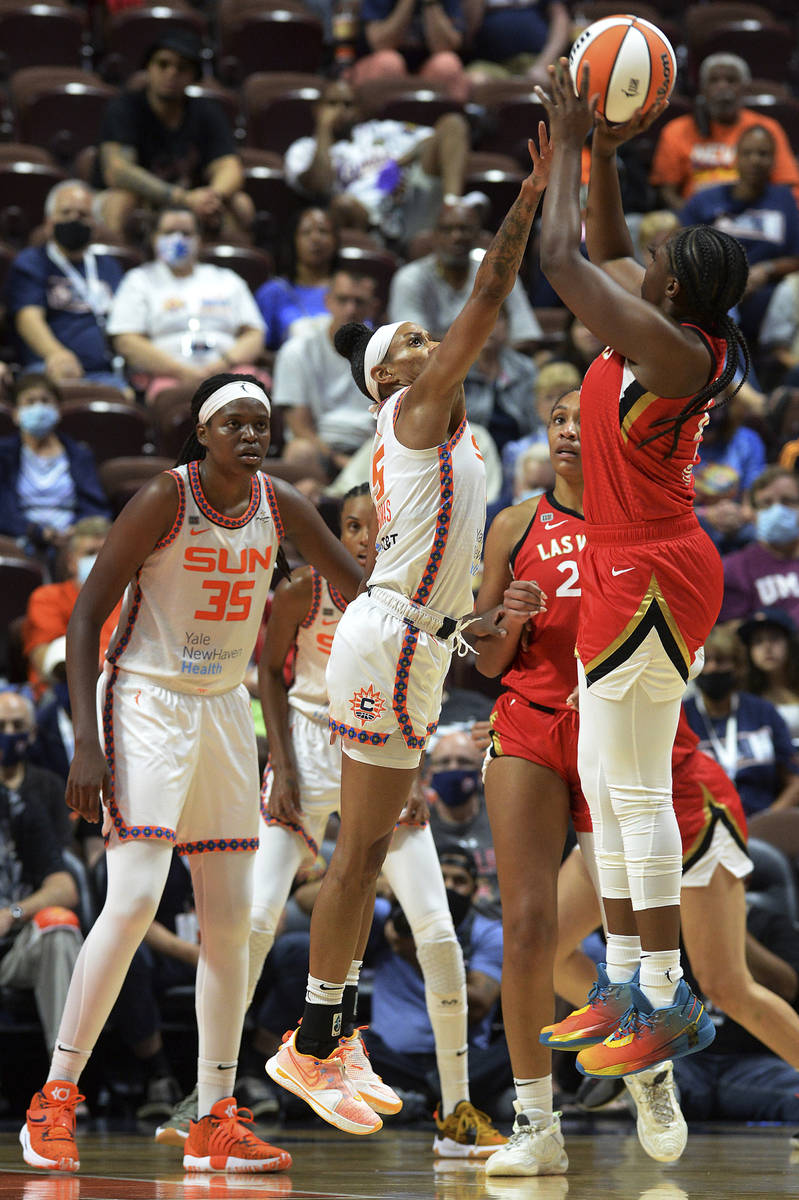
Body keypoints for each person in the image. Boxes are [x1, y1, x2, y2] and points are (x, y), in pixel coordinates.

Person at [265, 123, 553, 1134]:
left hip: (415, 642)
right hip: (385, 641)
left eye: (424, 341)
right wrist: (531, 190)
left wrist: (485, 622)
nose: (435, 348)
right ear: (389, 381)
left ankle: (324, 1036)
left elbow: (435, 578)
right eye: (412, 346)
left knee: (371, 846)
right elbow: (483, 298)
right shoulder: (416, 413)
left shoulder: (453, 439)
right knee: (358, 854)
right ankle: (310, 1047)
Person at [18, 371, 363, 1175]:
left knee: (230, 923)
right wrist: (84, 744)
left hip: (218, 709)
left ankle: (213, 1118)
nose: (251, 434)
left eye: (261, 423)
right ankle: (54, 1098)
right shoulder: (165, 499)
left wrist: (449, 616)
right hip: (142, 698)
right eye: (234, 422)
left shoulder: (280, 505)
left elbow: (358, 592)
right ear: (203, 433)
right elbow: (83, 613)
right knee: (135, 897)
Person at [156, 483, 506, 1156]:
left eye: (375, 527)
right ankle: (207, 1100)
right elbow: (269, 670)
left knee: (436, 932)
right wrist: (281, 769)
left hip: (381, 759)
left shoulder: (420, 603)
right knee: (254, 923)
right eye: (350, 526)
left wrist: (418, 774)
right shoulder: (303, 590)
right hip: (309, 751)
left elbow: (422, 695)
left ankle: (457, 1109)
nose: (363, 539)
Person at [533, 59, 750, 1078]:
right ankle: (626, 980)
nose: (643, 256)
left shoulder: (670, 355)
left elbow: (565, 261)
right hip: (630, 563)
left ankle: (666, 998)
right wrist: (609, 159)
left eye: (658, 256)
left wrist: (572, 145)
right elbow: (610, 250)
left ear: (672, 291)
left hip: (655, 571)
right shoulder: (667, 326)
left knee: (630, 789)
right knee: (601, 777)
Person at [364, 845, 509, 1120]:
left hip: (464, 1060)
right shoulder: (389, 915)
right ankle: (449, 1101)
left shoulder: (488, 933)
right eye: (440, 878)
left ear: (475, 889)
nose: (448, 888)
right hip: (393, 1056)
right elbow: (307, 901)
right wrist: (382, 884)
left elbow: (477, 1006)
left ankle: (411, 1099)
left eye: (459, 881)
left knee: (519, 1047)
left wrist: (414, 954)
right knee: (350, 1044)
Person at [95, 31, 253, 241]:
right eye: (163, 64)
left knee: (240, 203)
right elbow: (118, 172)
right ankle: (119, 267)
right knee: (121, 201)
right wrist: (182, 198)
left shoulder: (206, 112)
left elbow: (229, 167)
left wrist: (212, 197)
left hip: (192, 201)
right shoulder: (125, 108)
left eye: (182, 68)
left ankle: (223, 270)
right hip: (144, 199)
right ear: (148, 67)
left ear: (193, 76)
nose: (171, 73)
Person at [283, 79, 473, 246]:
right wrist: (323, 129)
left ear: (358, 110)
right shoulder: (303, 149)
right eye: (332, 104)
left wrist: (401, 162)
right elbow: (318, 184)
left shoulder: (378, 130)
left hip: (408, 202)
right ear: (318, 110)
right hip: (365, 218)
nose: (341, 110)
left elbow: (438, 138)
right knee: (343, 204)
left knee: (453, 124)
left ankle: (452, 210)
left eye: (348, 104)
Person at [107, 205, 266, 404]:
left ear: (199, 240)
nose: (178, 239)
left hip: (230, 372)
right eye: (169, 232)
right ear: (154, 238)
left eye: (186, 233)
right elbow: (126, 340)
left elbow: (255, 334)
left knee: (251, 395)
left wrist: (221, 366)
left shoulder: (226, 280)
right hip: (167, 377)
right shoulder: (138, 281)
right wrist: (181, 372)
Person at [0, 691, 83, 1055]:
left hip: (18, 943)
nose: (8, 734)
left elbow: (65, 885)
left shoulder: (30, 805)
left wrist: (12, 913)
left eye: (17, 726)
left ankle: (62, 1085)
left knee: (60, 925)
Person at [679, 125, 799, 342]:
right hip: (714, 285)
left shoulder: (784, 201)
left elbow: (796, 257)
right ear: (735, 158)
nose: (755, 160)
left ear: (774, 160)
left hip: (765, 292)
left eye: (763, 154)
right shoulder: (706, 199)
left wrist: (766, 269)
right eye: (748, 153)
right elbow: (681, 249)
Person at [5, 180, 128, 389]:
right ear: (49, 224)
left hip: (105, 373)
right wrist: (57, 354)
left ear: (95, 227)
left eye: (83, 215)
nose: (74, 219)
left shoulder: (109, 266)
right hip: (47, 367)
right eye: (66, 213)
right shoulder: (32, 261)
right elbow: (28, 319)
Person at [388, 200, 542, 356]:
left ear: (478, 235)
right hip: (433, 372)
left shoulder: (498, 272)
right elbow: (412, 343)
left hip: (495, 369)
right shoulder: (409, 278)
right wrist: (481, 347)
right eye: (447, 230)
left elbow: (527, 335)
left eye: (465, 229)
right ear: (433, 236)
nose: (457, 237)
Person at [650, 53, 799, 210]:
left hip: (755, 216)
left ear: (744, 88)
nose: (722, 87)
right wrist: (695, 220)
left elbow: (786, 186)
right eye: (714, 81)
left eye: (731, 80)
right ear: (702, 89)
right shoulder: (676, 131)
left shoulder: (767, 129)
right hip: (697, 219)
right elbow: (667, 193)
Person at [683, 624, 799, 819]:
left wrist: (769, 821)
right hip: (702, 829)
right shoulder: (681, 718)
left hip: (762, 824)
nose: (712, 668)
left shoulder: (763, 712)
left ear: (737, 667)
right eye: (705, 661)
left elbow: (794, 780)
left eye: (721, 661)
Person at [271, 268, 379, 470]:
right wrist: (340, 462)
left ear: (373, 308)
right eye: (343, 300)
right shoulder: (297, 351)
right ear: (327, 301)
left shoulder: (386, 355)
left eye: (359, 302)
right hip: (320, 449)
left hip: (370, 450)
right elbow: (299, 427)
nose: (350, 310)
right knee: (299, 451)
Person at [0, 374, 110, 558]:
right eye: (30, 402)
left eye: (45, 401)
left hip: (72, 538)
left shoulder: (79, 454)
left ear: (58, 411)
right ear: (16, 414)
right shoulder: (3, 455)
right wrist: (36, 532)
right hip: (19, 537)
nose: (39, 408)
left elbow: (95, 506)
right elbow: (3, 510)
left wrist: (77, 530)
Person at [23, 517, 119, 697]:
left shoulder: (131, 598)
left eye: (105, 552)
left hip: (121, 691)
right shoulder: (47, 597)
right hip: (63, 693)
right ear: (71, 561)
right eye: (90, 553)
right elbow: (47, 663)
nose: (99, 560)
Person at [425, 728, 499, 911]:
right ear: (430, 773)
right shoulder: (417, 825)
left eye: (463, 762)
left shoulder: (502, 820)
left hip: (496, 925)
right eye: (444, 762)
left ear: (480, 772)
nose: (453, 768)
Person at [719, 467, 799, 625]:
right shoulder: (733, 569)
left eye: (788, 501)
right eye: (766, 503)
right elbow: (729, 636)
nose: (777, 510)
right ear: (753, 513)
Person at [254, 206, 339, 353]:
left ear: (335, 240)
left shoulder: (347, 292)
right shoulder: (273, 292)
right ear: (293, 241)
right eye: (306, 232)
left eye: (323, 231)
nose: (315, 238)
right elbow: (260, 349)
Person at [351, 0, 471, 104]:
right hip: (386, 65)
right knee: (388, 62)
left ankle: (443, 126)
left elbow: (447, 46)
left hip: (428, 68)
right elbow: (380, 43)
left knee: (447, 65)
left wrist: (431, 3)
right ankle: (381, 126)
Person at [740, 606, 799, 745]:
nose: (767, 647)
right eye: (758, 641)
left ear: (790, 643)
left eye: (774, 638)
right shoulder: (741, 694)